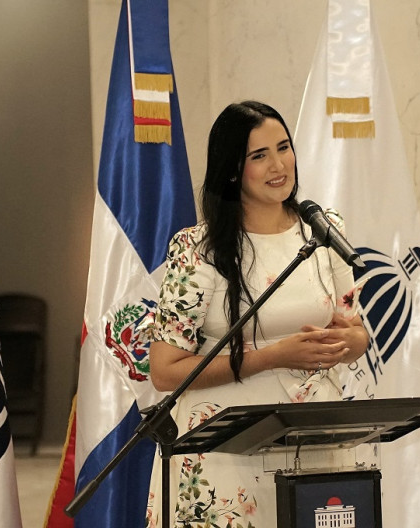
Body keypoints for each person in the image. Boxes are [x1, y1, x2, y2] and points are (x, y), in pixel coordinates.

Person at [144, 101, 369, 527]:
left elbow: (355, 332)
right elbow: (165, 370)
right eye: (259, 156)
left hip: (313, 434)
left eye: (284, 148)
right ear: (232, 169)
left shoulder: (323, 229)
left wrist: (348, 343)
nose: (278, 165)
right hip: (225, 448)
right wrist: (273, 356)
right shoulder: (198, 249)